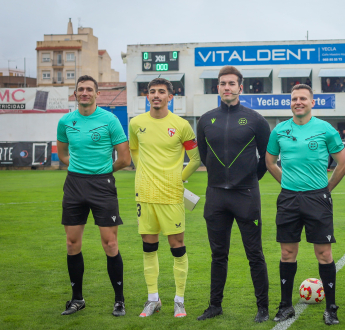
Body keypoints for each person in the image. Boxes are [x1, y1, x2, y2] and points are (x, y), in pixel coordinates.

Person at [266, 84, 345, 325]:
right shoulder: (280, 130)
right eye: (294, 99)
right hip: (289, 199)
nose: (298, 102)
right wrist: (288, 183)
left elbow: (343, 163)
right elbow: (270, 162)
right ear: (290, 103)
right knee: (287, 252)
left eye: (303, 98)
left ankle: (331, 309)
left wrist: (327, 188)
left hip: (317, 199)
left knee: (324, 253)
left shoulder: (326, 130)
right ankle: (285, 306)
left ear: (313, 102)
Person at [196, 66, 271, 323]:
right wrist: (220, 179)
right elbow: (205, 156)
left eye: (231, 83)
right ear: (217, 87)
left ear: (241, 87)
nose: (226, 87)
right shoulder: (205, 120)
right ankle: (214, 305)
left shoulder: (256, 120)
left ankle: (263, 308)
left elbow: (267, 158)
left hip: (246, 195)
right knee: (218, 255)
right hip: (216, 196)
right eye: (222, 83)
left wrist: (249, 179)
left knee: (255, 254)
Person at [56, 75, 131, 316]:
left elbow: (125, 158)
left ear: (97, 94)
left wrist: (103, 172)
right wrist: (79, 168)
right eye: (81, 89)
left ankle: (119, 300)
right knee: (71, 243)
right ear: (75, 94)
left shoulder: (110, 120)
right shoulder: (65, 121)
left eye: (89, 89)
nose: (85, 93)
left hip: (102, 185)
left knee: (110, 243)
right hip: (75, 185)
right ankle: (77, 299)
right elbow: (63, 153)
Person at [129, 78, 201, 318]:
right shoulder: (136, 123)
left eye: (161, 92)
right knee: (149, 247)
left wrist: (179, 179)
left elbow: (196, 158)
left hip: (171, 195)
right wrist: (142, 172)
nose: (156, 95)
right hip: (145, 195)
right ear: (147, 96)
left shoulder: (181, 125)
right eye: (152, 92)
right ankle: (153, 299)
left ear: (171, 97)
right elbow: (134, 149)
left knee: (177, 247)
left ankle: (179, 300)